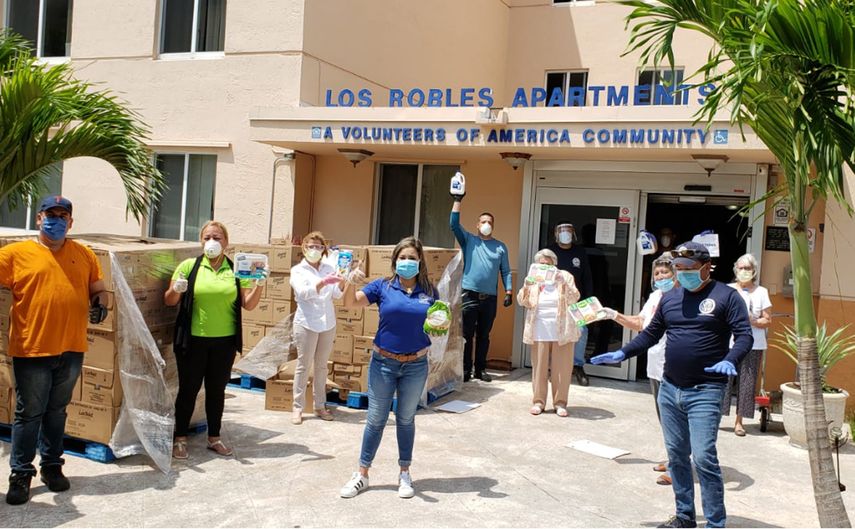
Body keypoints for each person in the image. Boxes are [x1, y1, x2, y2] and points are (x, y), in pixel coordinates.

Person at [591, 241, 753, 529]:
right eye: (678, 269)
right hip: (670, 389)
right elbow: (651, 334)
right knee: (677, 457)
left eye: (688, 269)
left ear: (706, 268)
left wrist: (732, 358)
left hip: (706, 389)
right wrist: (623, 352)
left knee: (703, 457)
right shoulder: (670, 299)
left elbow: (744, 336)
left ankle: (715, 523)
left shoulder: (726, 296)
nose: (682, 274)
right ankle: (685, 516)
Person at [0, 195, 108, 505]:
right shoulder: (15, 254)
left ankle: (51, 466)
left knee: (57, 411)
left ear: (71, 222)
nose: (56, 220)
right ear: (38, 218)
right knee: (28, 413)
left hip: (72, 347)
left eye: (63, 216)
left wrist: (101, 305)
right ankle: (20, 474)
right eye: (51, 214)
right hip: (32, 349)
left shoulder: (84, 254)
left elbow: (98, 290)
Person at [338, 237, 438, 499]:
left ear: (420, 262)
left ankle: (404, 473)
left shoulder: (429, 291)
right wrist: (350, 280)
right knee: (375, 419)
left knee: (406, 419)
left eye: (412, 258)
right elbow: (350, 303)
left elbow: (438, 324)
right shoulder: (382, 286)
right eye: (402, 257)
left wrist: (440, 325)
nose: (407, 262)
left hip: (416, 364)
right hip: (383, 363)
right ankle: (362, 474)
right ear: (395, 261)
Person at [164, 221, 266, 459]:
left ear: (226, 242)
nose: (212, 241)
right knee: (188, 391)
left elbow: (248, 304)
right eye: (208, 237)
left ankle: (214, 437)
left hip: (225, 342)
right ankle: (179, 439)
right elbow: (169, 300)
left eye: (217, 237)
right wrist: (177, 289)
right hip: (193, 341)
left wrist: (260, 284)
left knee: (216, 391)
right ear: (201, 241)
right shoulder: (189, 266)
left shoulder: (236, 269)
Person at [603, 253, 678, 485]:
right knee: (664, 418)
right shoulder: (655, 296)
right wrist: (614, 315)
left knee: (675, 419)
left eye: (665, 272)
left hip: (675, 366)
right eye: (657, 273)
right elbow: (640, 323)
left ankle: (677, 468)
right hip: (655, 366)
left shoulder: (680, 297)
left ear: (675, 275)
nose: (661, 276)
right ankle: (672, 457)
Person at [450, 185, 512, 383]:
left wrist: (508, 291)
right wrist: (458, 199)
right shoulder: (469, 240)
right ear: (477, 225)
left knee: (484, 335)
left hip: (489, 298)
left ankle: (480, 369)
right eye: (483, 221)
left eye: (490, 222)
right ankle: (466, 370)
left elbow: (506, 271)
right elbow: (454, 225)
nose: (487, 224)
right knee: (467, 334)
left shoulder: (500, 246)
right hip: (469, 294)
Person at [517, 249, 580, 417]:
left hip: (562, 329)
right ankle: (539, 401)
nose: (544, 267)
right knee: (539, 367)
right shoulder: (533, 279)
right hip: (539, 327)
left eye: (547, 264)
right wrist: (527, 286)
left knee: (562, 368)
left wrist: (563, 283)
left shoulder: (565, 276)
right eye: (541, 264)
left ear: (554, 263)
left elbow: (575, 297)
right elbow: (522, 301)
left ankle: (560, 403)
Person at [289, 232, 344, 425]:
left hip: (327, 322)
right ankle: (297, 407)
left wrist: (344, 279)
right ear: (304, 248)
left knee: (321, 366)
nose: (315, 250)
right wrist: (322, 282)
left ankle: (320, 405)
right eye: (311, 246)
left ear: (324, 250)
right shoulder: (298, 270)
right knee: (303, 365)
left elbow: (336, 294)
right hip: (306, 322)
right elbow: (303, 293)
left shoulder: (329, 267)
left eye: (319, 247)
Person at [722, 253, 772, 436]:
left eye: (747, 268)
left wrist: (752, 320)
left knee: (747, 382)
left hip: (753, 344)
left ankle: (739, 421)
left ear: (754, 271)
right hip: (727, 343)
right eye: (741, 268)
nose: (744, 271)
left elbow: (768, 320)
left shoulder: (762, 292)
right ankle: (716, 417)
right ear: (736, 270)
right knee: (722, 379)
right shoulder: (727, 290)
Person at [548, 222, 593, 386]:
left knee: (581, 331)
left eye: (568, 231)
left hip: (577, 300)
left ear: (573, 233)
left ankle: (578, 366)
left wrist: (588, 299)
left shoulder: (579, 252)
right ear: (556, 233)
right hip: (554, 300)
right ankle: (554, 367)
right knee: (554, 332)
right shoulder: (550, 251)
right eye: (562, 230)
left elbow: (587, 277)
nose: (565, 233)